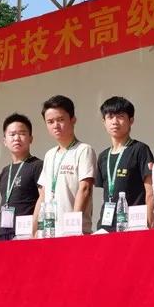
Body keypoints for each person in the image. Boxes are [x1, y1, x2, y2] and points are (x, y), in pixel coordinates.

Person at [35, 95, 96, 235]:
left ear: (73, 119)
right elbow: (43, 195)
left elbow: (85, 189)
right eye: (50, 122)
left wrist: (72, 228)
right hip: (49, 232)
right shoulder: (50, 155)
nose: (55, 125)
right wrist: (35, 230)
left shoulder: (83, 150)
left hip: (74, 233)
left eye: (60, 120)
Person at [95, 96, 154, 230]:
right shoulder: (103, 156)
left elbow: (150, 192)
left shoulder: (140, 149)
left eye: (120, 116)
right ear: (104, 122)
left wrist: (150, 226)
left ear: (131, 120)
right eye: (110, 117)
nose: (115, 122)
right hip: (106, 227)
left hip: (134, 226)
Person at [0, 114, 44, 240]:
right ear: (5, 141)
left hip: (26, 234)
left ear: (31, 138)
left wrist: (34, 230)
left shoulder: (37, 165)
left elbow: (43, 198)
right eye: (12, 134)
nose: (16, 138)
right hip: (3, 234)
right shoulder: (5, 171)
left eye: (22, 133)